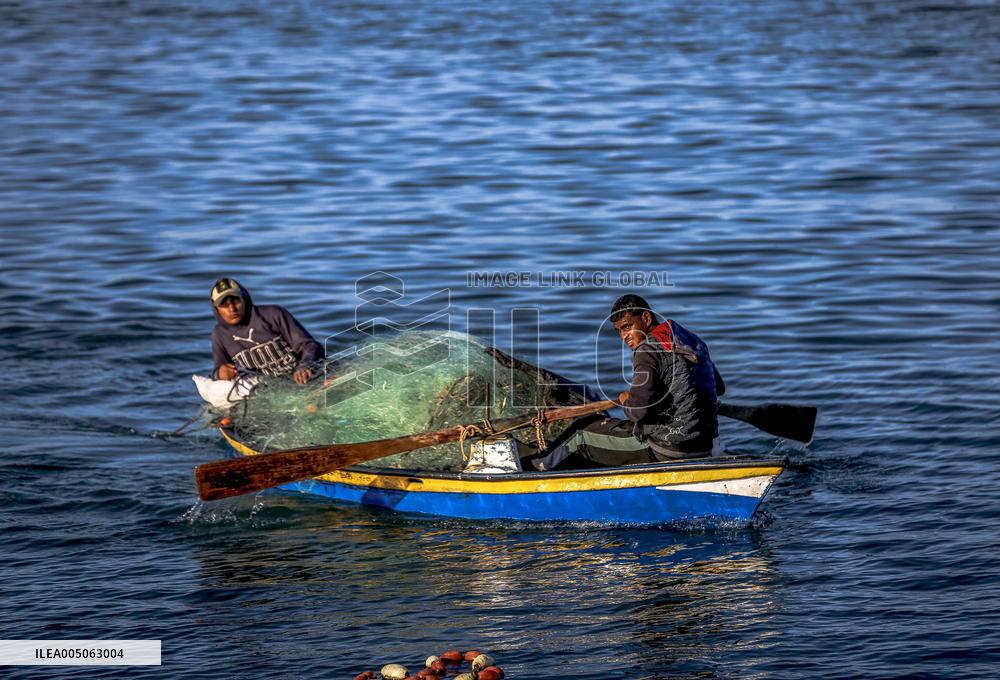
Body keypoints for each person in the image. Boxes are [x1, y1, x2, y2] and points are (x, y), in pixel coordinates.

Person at [533, 293, 725, 470]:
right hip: (705, 444)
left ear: (646, 318)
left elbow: (637, 413)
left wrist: (627, 400)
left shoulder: (646, 350)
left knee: (581, 434)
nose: (624, 336)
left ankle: (534, 472)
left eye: (627, 327)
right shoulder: (690, 340)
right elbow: (719, 388)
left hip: (668, 449)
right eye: (618, 331)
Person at [209, 278, 324, 385]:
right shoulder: (219, 335)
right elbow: (217, 371)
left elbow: (309, 346)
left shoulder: (273, 314)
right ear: (216, 309)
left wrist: (305, 366)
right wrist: (220, 373)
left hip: (303, 377)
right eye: (224, 305)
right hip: (269, 388)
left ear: (244, 299)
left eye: (236, 301)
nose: (232, 309)